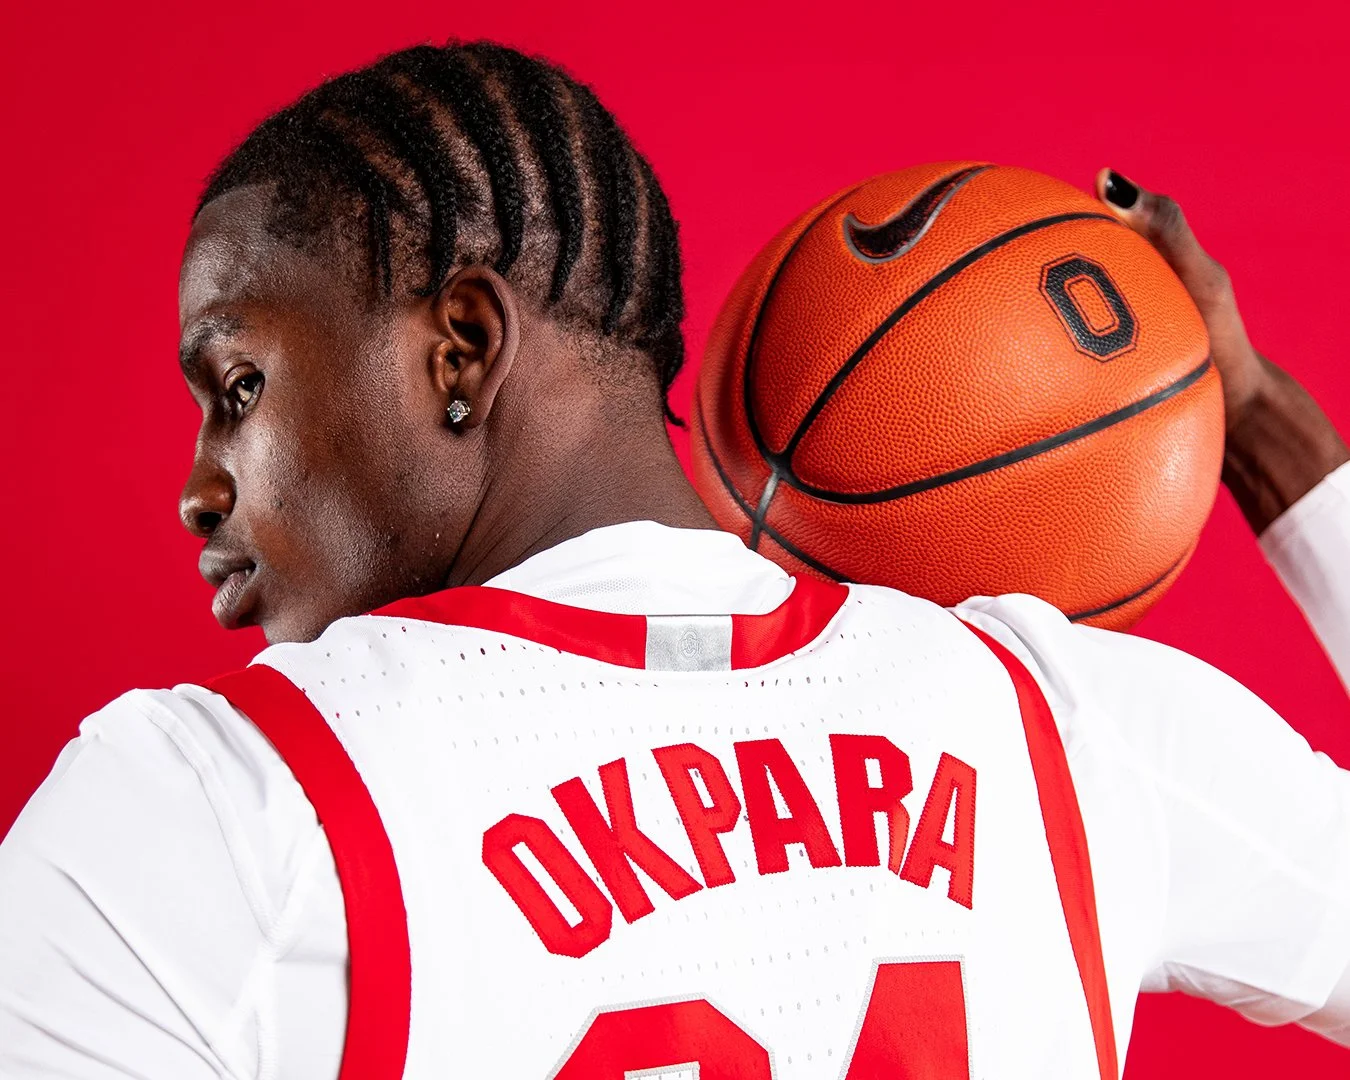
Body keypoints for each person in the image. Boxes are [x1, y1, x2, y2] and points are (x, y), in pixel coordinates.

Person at [2, 39, 1349, 1080]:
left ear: (462, 348)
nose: (199, 488)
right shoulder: (1060, 723)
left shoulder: (204, 808)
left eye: (238, 386)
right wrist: (1257, 422)